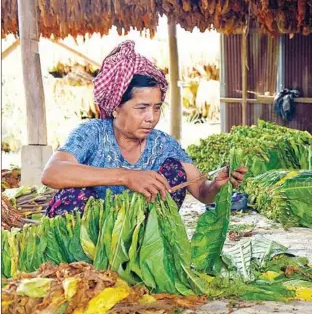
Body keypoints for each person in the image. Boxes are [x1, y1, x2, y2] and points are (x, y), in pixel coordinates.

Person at [42, 40, 247, 217]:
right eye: (141, 108)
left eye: (157, 108)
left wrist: (216, 185)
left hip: (144, 238)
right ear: (115, 108)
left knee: (174, 172)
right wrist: (126, 176)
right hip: (90, 238)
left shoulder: (163, 145)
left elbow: (202, 192)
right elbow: (51, 173)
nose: (151, 117)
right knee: (69, 196)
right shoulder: (92, 134)